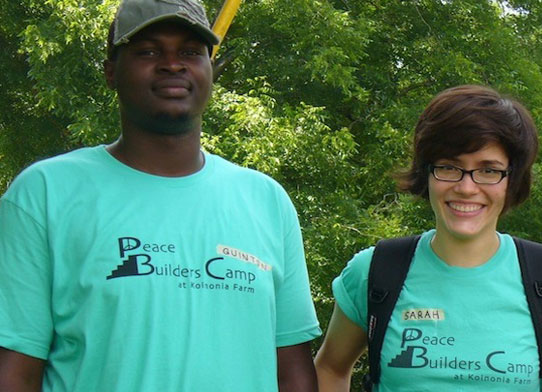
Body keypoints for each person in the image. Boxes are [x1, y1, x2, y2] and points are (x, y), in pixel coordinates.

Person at [0, 0, 321, 390]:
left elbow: (293, 370)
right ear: (110, 72)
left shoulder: (267, 201)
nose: (173, 64)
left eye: (190, 51)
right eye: (149, 51)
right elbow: (15, 368)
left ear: (210, 70)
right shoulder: (45, 194)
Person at [315, 85, 542, 391]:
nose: (467, 188)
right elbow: (330, 369)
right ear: (426, 172)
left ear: (513, 179)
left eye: (488, 170)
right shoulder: (376, 271)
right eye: (449, 167)